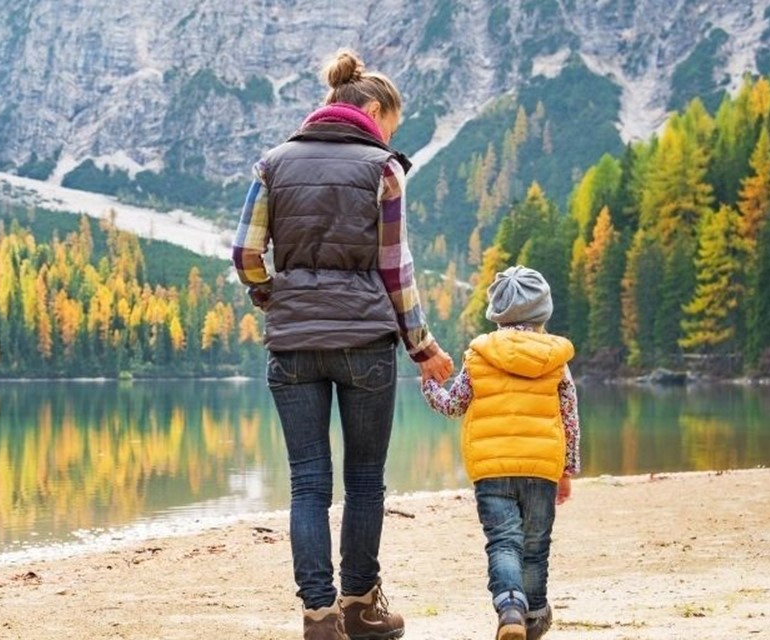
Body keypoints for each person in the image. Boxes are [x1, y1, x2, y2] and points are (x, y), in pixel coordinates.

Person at [231, 48, 454, 640]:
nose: (390, 136)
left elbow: (245, 254)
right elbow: (394, 270)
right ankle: (361, 605)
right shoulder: (383, 168)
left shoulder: (272, 164)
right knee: (364, 480)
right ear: (374, 110)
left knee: (307, 482)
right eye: (392, 126)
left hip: (293, 344)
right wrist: (423, 346)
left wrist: (271, 297)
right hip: (365, 344)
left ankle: (318, 615)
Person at [421, 265, 581, 640]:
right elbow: (569, 417)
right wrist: (566, 470)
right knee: (535, 544)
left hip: (492, 470)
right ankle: (535, 615)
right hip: (542, 467)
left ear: (497, 313)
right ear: (544, 312)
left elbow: (454, 405)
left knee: (504, 541)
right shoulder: (556, 360)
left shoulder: (479, 355)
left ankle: (510, 607)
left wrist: (429, 385)